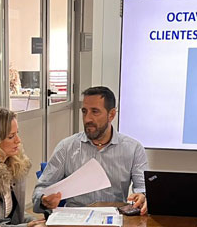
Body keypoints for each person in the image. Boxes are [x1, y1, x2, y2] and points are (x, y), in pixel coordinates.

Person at [33, 86, 149, 214]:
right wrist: (44, 200)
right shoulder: (66, 147)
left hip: (114, 219)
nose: (87, 119)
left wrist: (142, 197)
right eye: (84, 111)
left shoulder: (133, 149)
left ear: (111, 115)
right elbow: (40, 190)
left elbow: (142, 188)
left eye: (95, 112)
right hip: (74, 220)